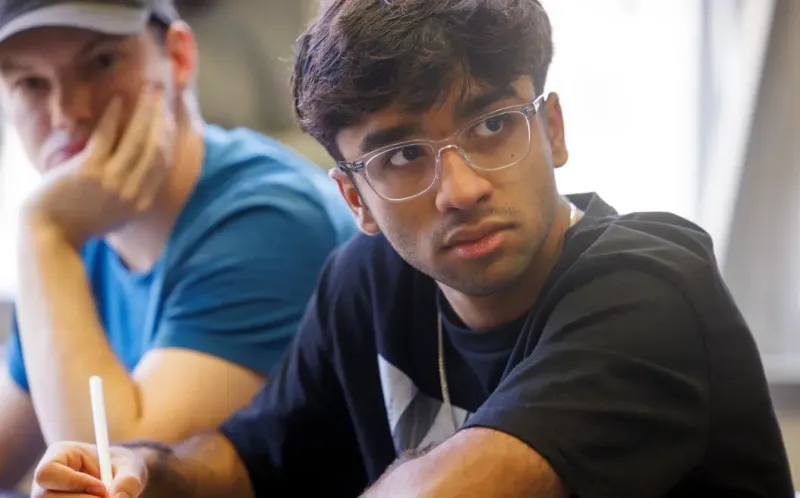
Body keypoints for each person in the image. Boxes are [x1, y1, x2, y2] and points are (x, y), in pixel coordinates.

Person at [30, 0, 794, 497]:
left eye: (491, 125)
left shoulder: (651, 286)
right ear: (355, 199)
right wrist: (142, 469)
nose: (458, 189)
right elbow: (243, 460)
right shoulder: (367, 284)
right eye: (402, 157)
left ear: (551, 130)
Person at [0, 0, 357, 491]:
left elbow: (117, 477)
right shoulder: (78, 229)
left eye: (101, 62)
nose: (68, 113)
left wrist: (42, 234)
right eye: (31, 84)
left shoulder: (272, 216)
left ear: (180, 58)